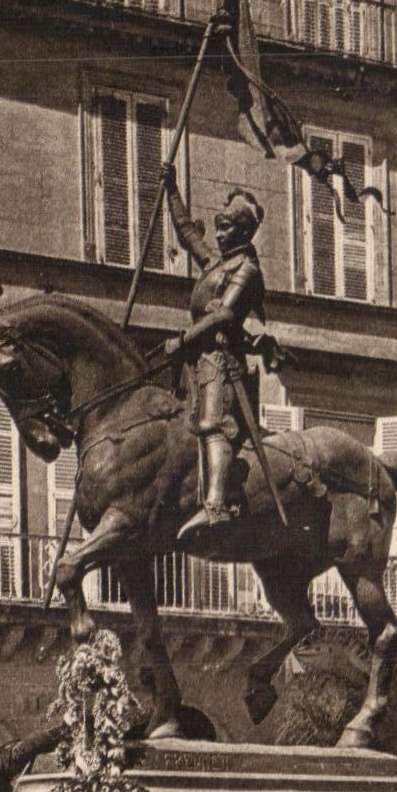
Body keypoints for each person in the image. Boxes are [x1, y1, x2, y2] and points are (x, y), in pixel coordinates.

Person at [160, 162, 267, 540]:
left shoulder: (246, 269)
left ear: (242, 230)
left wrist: (185, 339)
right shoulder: (216, 263)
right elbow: (188, 233)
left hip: (222, 360)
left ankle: (217, 505)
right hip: (197, 359)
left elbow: (224, 315)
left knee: (211, 424)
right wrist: (171, 188)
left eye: (226, 228)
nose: (218, 234)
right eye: (219, 227)